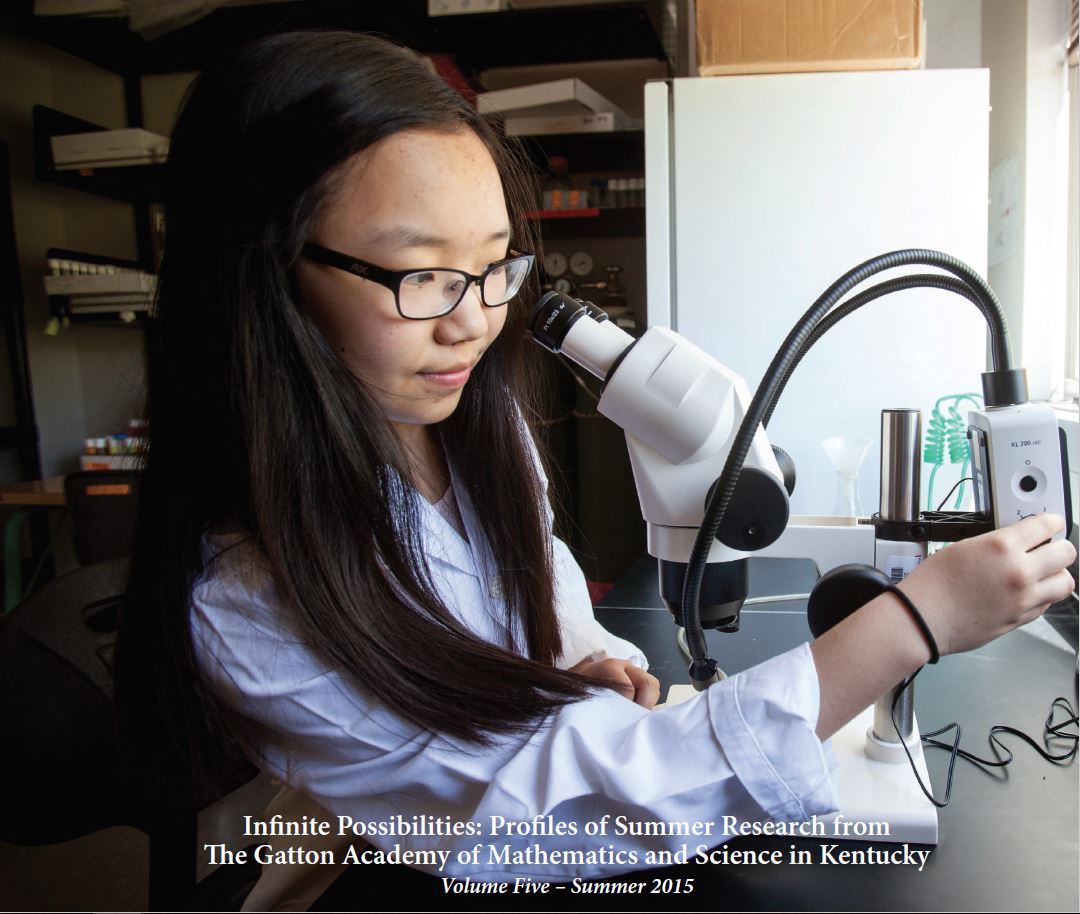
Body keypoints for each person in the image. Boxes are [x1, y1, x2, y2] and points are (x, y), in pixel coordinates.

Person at [116, 29, 1076, 911]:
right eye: (423, 275)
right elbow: (561, 811)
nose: (473, 320)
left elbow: (537, 567)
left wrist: (569, 660)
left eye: (496, 267)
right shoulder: (243, 600)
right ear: (263, 269)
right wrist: (916, 620)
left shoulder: (457, 422)